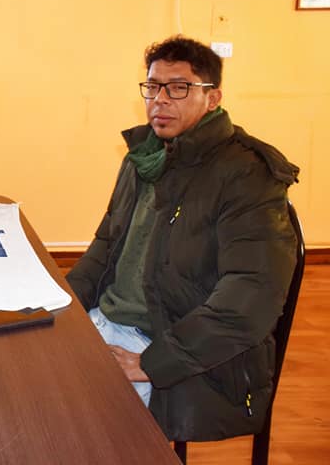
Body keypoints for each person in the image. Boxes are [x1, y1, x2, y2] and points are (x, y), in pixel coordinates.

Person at [66, 36, 299, 442]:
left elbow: (251, 295)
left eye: (178, 88)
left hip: (170, 344)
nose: (160, 99)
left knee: (76, 432)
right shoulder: (143, 157)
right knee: (23, 383)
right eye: (153, 87)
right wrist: (62, 308)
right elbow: (105, 248)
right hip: (108, 319)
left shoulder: (246, 173)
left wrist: (152, 364)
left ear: (212, 98)